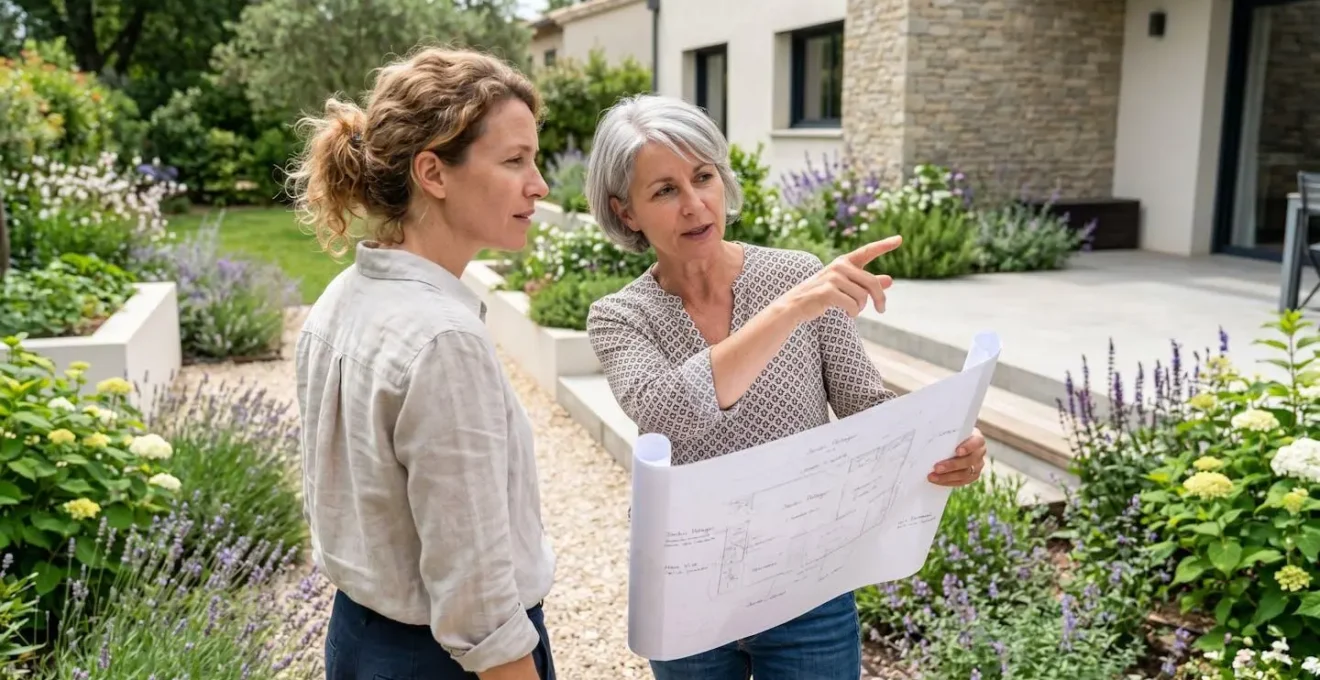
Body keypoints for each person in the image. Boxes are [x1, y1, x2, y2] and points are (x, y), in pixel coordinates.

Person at [583, 94, 989, 679]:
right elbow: (670, 412)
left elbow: (865, 405)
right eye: (665, 190)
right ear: (626, 213)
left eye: (704, 177)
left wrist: (944, 442)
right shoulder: (621, 317)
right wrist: (787, 311)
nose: (695, 204)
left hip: (810, 581)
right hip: (687, 586)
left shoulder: (797, 275)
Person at [286, 47, 557, 680]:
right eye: (514, 160)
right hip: (440, 662)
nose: (539, 184)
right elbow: (478, 602)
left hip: (357, 638)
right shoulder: (442, 340)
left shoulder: (340, 298)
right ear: (433, 172)